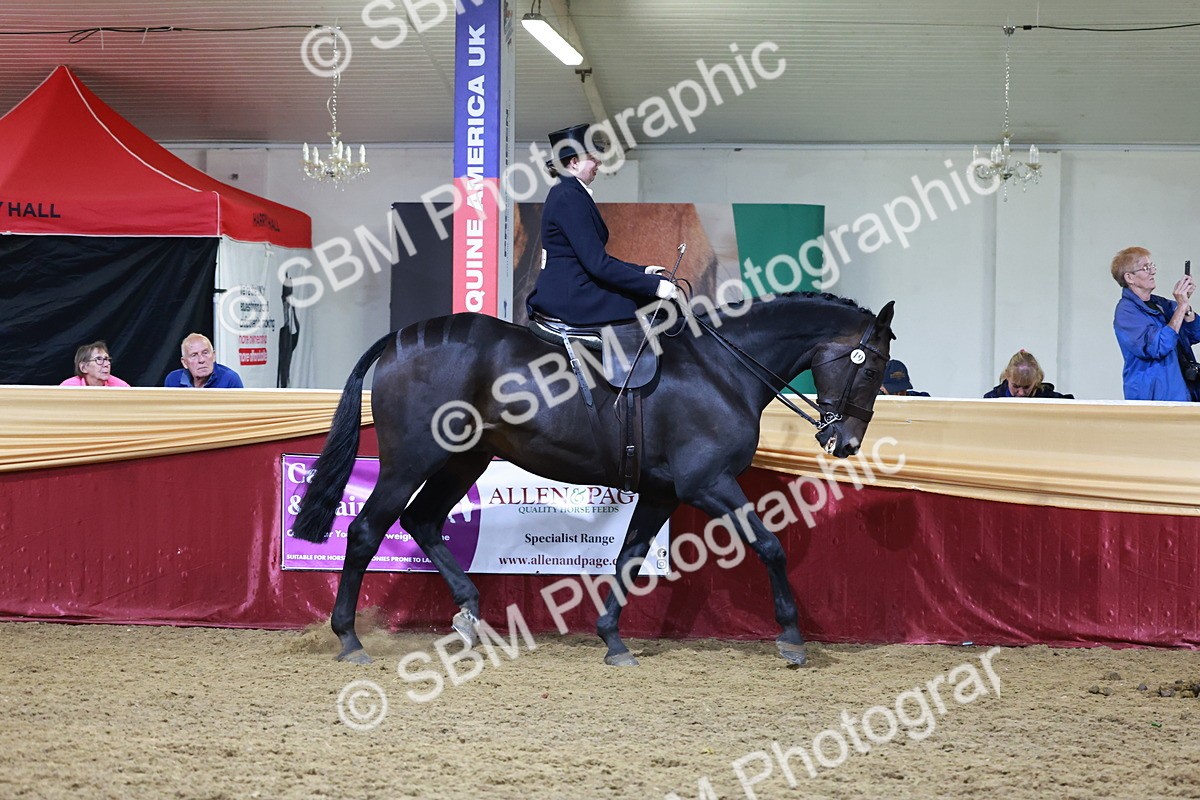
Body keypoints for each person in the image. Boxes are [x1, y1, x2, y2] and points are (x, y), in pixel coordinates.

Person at [526, 123, 678, 325]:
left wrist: (643, 271)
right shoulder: (568, 197)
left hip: (575, 288)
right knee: (656, 304)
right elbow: (598, 265)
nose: (598, 161)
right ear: (574, 163)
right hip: (571, 296)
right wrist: (653, 287)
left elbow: (596, 258)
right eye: (591, 157)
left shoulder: (568, 192)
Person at [1111, 247, 1200, 401]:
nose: (1152, 272)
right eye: (1146, 268)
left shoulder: (1160, 304)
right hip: (1156, 397)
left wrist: (1186, 308)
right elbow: (1158, 346)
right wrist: (1181, 307)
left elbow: (1195, 333)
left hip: (1184, 392)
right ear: (1129, 278)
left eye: (1152, 266)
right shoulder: (1126, 313)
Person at [164, 333, 244, 388]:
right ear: (184, 363)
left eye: (205, 353)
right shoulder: (173, 380)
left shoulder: (230, 380)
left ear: (213, 356)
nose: (201, 360)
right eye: (194, 355)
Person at [983, 350, 1073, 398]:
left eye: (1026, 387)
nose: (1021, 393)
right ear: (1007, 376)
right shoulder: (992, 399)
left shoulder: (1048, 399)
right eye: (1015, 386)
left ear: (1036, 379)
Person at [59, 341, 130, 387]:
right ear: (83, 368)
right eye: (99, 359)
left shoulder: (121, 387)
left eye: (106, 359)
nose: (106, 364)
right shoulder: (68, 387)